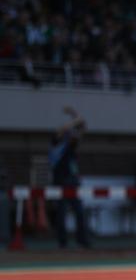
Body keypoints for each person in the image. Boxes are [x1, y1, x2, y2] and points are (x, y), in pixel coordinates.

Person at [49, 106, 89, 248]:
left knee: (79, 212)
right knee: (61, 214)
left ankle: (82, 241)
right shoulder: (56, 144)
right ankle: (62, 243)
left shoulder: (71, 146)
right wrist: (74, 119)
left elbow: (83, 126)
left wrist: (74, 113)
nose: (73, 137)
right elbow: (63, 130)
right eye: (70, 135)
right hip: (61, 182)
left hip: (73, 183)